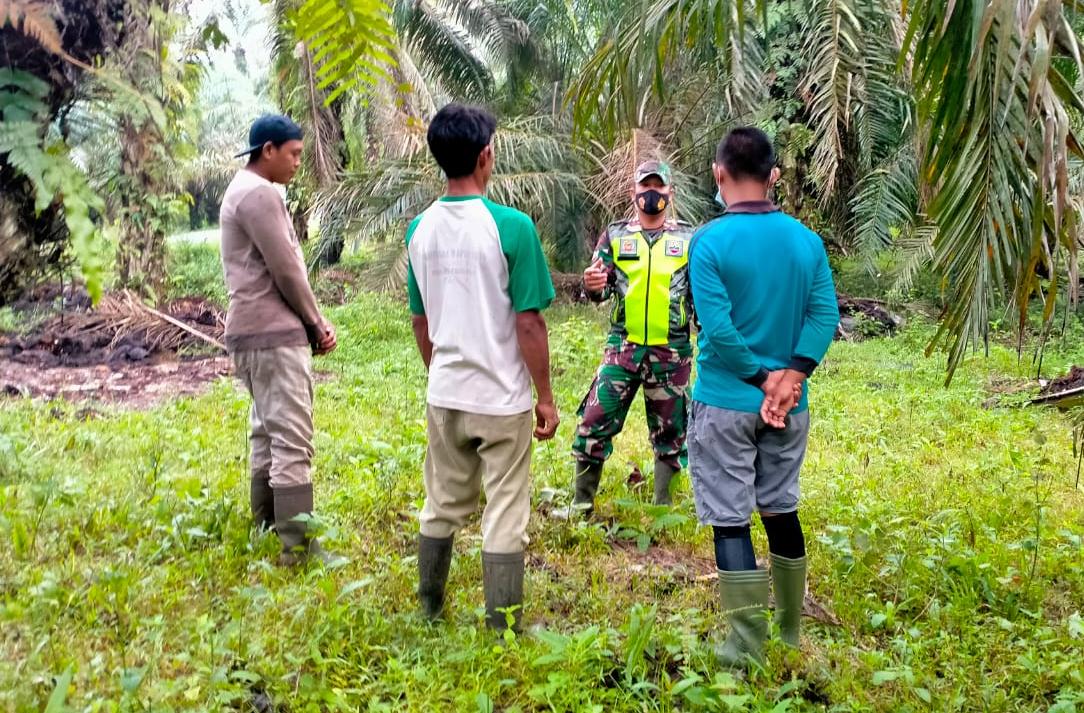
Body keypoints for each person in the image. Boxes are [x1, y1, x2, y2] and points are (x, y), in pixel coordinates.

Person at [687, 127, 839, 667]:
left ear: (719, 173)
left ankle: (743, 646)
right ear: (772, 175)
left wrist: (759, 381)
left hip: (727, 401)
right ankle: (790, 630)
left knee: (731, 519)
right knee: (780, 508)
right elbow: (825, 316)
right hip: (788, 408)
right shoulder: (806, 241)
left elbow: (719, 329)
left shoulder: (707, 243)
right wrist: (789, 379)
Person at [406, 103, 558, 631]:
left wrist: (439, 373)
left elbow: (420, 321)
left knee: (442, 502)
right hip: (501, 397)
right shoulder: (512, 228)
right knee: (506, 509)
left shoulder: (419, 230)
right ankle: (503, 625)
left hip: (445, 392)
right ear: (486, 156)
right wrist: (545, 397)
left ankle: (429, 608)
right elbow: (530, 325)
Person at [219, 114, 338, 566]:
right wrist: (316, 322)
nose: (297, 164)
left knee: (266, 433)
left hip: (249, 333)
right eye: (294, 154)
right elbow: (286, 268)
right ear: (267, 150)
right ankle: (299, 549)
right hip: (273, 333)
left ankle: (266, 526)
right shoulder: (260, 194)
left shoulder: (239, 191)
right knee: (292, 439)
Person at [559, 161, 695, 517]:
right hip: (623, 350)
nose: (652, 194)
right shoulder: (615, 236)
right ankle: (582, 503)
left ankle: (663, 507)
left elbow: (699, 296)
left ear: (670, 193)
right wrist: (592, 286)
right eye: (645, 187)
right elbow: (599, 288)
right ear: (634, 192)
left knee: (671, 432)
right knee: (593, 421)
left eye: (659, 187)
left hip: (671, 353)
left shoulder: (688, 239)